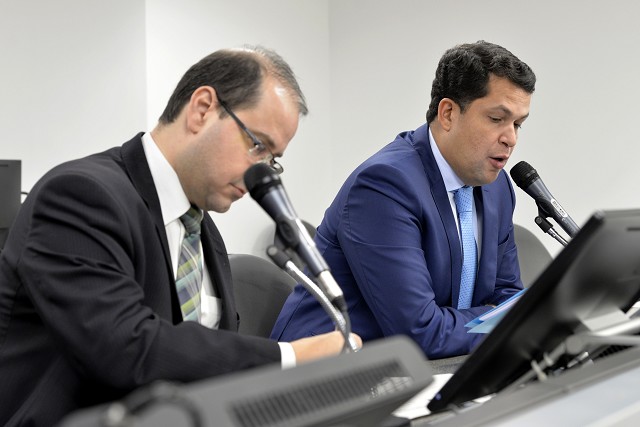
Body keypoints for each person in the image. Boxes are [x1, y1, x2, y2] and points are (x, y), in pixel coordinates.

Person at [0, 46, 360, 427]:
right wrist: (290, 358)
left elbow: (203, 368)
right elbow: (125, 348)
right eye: (257, 145)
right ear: (202, 109)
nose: (262, 174)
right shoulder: (81, 196)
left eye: (272, 160)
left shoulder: (205, 232)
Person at [272, 40, 535, 359]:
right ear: (448, 113)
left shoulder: (497, 187)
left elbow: (508, 298)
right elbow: (421, 332)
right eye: (496, 119)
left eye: (518, 124)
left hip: (434, 363)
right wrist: (498, 320)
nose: (511, 138)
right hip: (333, 370)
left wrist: (502, 318)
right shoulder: (384, 185)